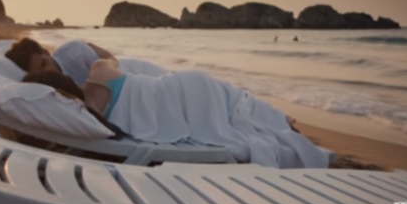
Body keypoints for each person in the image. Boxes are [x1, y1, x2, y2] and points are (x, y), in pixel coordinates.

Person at [22, 56, 328, 169]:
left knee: (233, 122)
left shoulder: (86, 116)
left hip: (180, 101)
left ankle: (279, 124)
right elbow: (114, 59)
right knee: (235, 105)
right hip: (183, 85)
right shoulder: (98, 71)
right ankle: (282, 121)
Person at [5, 37, 167, 86]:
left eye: (43, 64)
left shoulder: (73, 52)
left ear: (47, 53)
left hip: (132, 72)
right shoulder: (45, 85)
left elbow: (111, 59)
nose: (48, 74)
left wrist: (100, 71)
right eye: (39, 73)